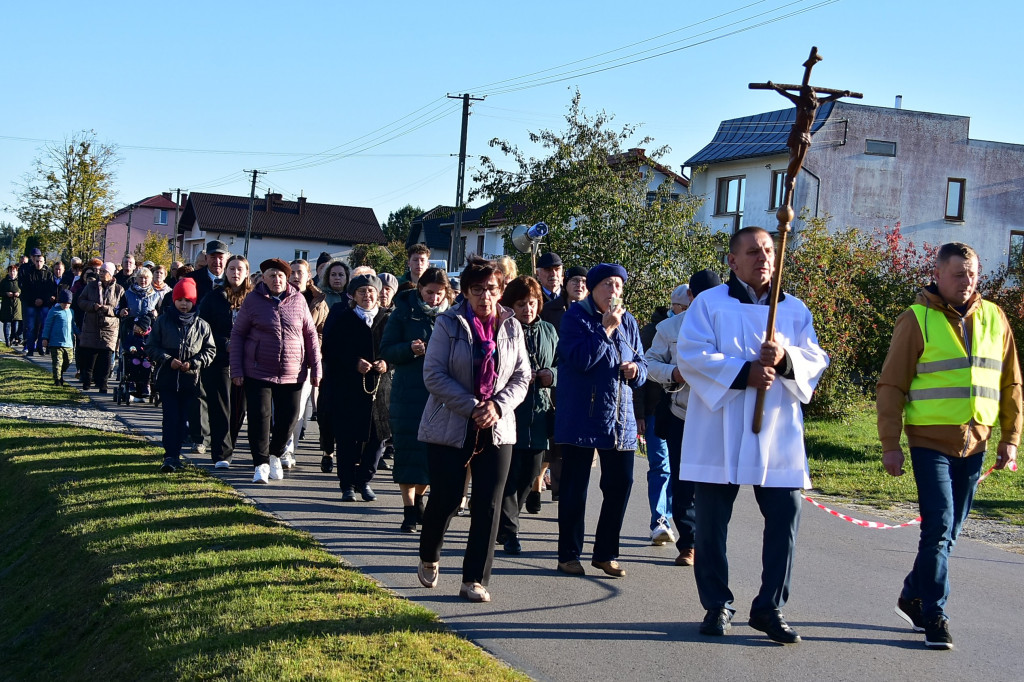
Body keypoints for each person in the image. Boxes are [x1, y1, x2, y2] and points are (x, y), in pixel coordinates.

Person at [677, 226, 828, 643]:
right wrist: (745, 372)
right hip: (719, 429)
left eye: (767, 251)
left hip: (776, 431)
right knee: (710, 524)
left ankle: (770, 607)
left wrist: (784, 359)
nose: (762, 258)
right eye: (752, 251)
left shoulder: (794, 310)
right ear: (732, 261)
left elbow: (815, 358)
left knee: (786, 517)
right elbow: (690, 355)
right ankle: (717, 604)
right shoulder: (709, 304)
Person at [877, 241, 1021, 650]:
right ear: (937, 274)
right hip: (929, 443)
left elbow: (1011, 384)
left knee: (950, 532)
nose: (967, 281)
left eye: (973, 274)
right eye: (959, 274)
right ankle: (935, 614)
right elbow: (891, 386)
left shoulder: (996, 317)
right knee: (938, 527)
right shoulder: (916, 319)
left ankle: (911, 593)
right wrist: (891, 444)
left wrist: (1010, 439)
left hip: (975, 444)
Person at [416, 256, 530, 603]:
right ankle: (429, 555)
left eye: (491, 289)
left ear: (500, 291)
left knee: (489, 504)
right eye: (477, 290)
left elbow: (522, 376)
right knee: (447, 499)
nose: (485, 296)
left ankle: (474, 580)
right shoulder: (448, 323)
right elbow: (434, 375)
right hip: (452, 424)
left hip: (497, 426)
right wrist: (472, 406)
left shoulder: (512, 326)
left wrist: (496, 406)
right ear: (465, 292)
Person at [553, 263, 647, 578]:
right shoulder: (575, 317)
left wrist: (636, 371)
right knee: (575, 488)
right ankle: (568, 555)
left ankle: (605, 553)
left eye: (618, 285)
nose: (614, 291)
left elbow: (643, 363)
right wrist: (605, 329)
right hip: (583, 416)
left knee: (620, 485)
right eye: (608, 284)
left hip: (620, 419)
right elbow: (580, 360)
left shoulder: (629, 320)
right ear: (593, 288)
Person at [644, 270, 721, 568]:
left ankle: (709, 541)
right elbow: (649, 362)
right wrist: (673, 374)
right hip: (682, 413)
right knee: (683, 480)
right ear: (690, 296)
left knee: (714, 483)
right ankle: (688, 543)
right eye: (700, 296)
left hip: (718, 417)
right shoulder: (669, 327)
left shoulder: (728, 325)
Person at [230, 258, 321, 485]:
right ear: (263, 278)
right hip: (258, 371)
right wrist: (237, 369)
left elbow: (310, 335)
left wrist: (316, 368)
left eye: (281, 275)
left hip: (293, 371)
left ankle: (275, 455)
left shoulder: (298, 300)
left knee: (289, 418)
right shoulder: (252, 300)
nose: (277, 279)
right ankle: (260, 463)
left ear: (287, 278)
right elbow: (238, 335)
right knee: (260, 418)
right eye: (272, 275)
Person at [380, 267, 451, 531]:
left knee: (431, 456)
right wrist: (409, 349)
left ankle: (420, 497)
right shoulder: (403, 312)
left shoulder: (452, 316)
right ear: (419, 289)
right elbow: (386, 350)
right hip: (408, 392)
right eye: (429, 292)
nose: (433, 297)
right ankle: (408, 510)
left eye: (438, 293)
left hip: (441, 396)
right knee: (408, 452)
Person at [496, 276, 557, 555]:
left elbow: (561, 364)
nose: (527, 309)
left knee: (531, 473)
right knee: (508, 475)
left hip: (540, 413)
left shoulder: (549, 330)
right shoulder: (502, 329)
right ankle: (510, 532)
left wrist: (550, 375)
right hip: (510, 412)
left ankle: (506, 521)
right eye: (521, 304)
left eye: (532, 303)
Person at [321, 274, 392, 501]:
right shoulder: (343, 318)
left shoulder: (388, 319)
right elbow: (330, 350)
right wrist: (353, 362)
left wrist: (386, 363)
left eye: (371, 291)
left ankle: (364, 480)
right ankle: (347, 484)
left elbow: (395, 349)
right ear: (353, 295)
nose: (367, 296)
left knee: (378, 437)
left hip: (380, 387)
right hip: (349, 387)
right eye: (362, 292)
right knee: (347, 437)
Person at [149, 278, 216, 473]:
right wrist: (167, 359)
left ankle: (181, 450)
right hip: (168, 379)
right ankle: (171, 456)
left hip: (191, 380)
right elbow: (151, 346)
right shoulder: (163, 321)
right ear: (174, 300)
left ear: (194, 301)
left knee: (184, 420)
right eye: (180, 300)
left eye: (187, 300)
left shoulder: (202, 325)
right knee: (170, 418)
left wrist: (194, 363)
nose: (183, 304)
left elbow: (210, 350)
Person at [198, 254, 253, 468]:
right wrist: (225, 343)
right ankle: (221, 454)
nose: (235, 273)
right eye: (232, 269)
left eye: (240, 269)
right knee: (221, 406)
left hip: (247, 360)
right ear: (226, 272)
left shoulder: (255, 298)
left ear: (246, 272)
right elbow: (204, 327)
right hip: (220, 359)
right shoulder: (214, 297)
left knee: (239, 408)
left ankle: (230, 443)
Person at [282, 259, 330, 468]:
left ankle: (289, 448)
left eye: (300, 272)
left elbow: (323, 331)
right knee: (279, 409)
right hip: (280, 361)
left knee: (298, 409)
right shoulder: (278, 295)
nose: (295, 276)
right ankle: (278, 446)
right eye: (291, 272)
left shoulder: (319, 301)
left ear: (309, 275)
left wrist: (311, 349)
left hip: (306, 362)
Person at [635, 301, 675, 547]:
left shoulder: (698, 328)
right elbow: (640, 375)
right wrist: (638, 413)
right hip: (654, 411)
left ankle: (671, 517)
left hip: (686, 413)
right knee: (660, 464)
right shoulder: (650, 332)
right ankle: (659, 520)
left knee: (678, 468)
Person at [78, 262, 125, 393]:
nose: (102, 274)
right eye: (101, 271)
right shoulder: (91, 286)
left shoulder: (119, 289)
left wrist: (107, 309)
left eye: (105, 271)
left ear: (111, 274)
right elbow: (81, 301)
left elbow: (120, 308)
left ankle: (103, 383)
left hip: (109, 326)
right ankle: (87, 381)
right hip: (92, 324)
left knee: (106, 357)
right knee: (90, 356)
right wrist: (92, 306)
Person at [19, 248, 56, 356]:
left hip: (44, 304)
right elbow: (25, 289)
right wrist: (34, 300)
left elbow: (50, 289)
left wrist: (42, 300)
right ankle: (30, 348)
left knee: (43, 326)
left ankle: (40, 347)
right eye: (37, 261)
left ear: (44, 262)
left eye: (41, 261)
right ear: (34, 261)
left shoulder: (48, 274)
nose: (38, 263)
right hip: (31, 303)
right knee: (30, 327)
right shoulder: (29, 273)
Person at [40, 289, 77, 385]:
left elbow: (73, 325)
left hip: (68, 342)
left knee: (68, 360)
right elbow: (47, 325)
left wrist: (79, 333)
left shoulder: (71, 312)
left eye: (68, 303)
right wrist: (45, 338)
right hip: (55, 342)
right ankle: (57, 380)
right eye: (64, 303)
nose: (66, 305)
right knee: (57, 362)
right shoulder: (53, 311)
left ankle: (60, 373)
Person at [541, 265, 587, 331]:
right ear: (566, 284)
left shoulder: (595, 311)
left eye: (584, 281)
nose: (579, 285)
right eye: (575, 280)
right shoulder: (548, 310)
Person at [1, 264, 22, 347]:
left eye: (14, 271)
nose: (12, 273)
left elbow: (24, 291)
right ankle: (7, 340)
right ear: (8, 272)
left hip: (17, 306)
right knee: (7, 324)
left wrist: (19, 293)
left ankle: (12, 338)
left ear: (16, 272)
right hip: (7, 305)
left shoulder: (20, 281)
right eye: (10, 271)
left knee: (15, 325)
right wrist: (6, 294)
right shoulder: (4, 281)